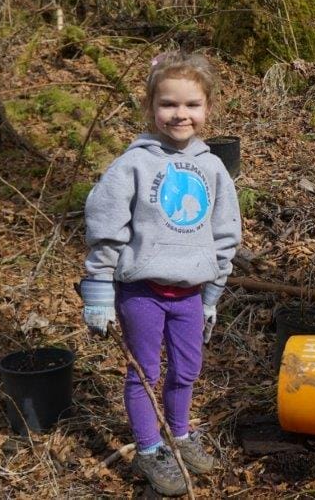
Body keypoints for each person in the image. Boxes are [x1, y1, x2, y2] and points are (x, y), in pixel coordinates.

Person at [80, 51, 241, 496]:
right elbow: (106, 227)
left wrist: (211, 295)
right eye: (168, 104)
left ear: (208, 108)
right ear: (151, 107)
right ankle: (150, 449)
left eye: (191, 104)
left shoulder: (213, 168)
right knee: (144, 372)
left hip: (189, 294)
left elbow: (225, 234)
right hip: (142, 292)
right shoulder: (132, 164)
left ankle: (180, 434)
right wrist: (98, 289)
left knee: (187, 369)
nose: (180, 114)